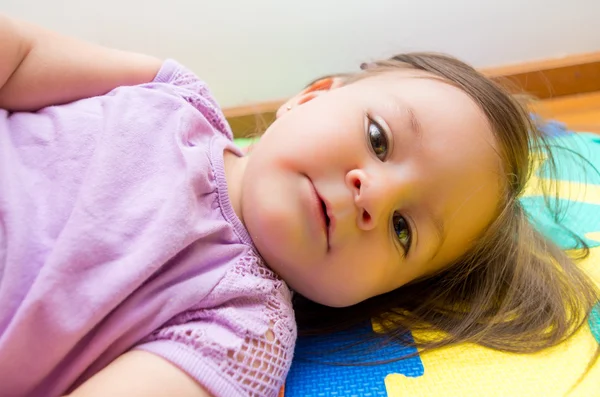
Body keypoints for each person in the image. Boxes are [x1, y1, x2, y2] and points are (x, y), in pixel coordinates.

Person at [0, 13, 597, 397]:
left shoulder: (243, 333)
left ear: (375, 293)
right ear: (308, 99)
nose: (376, 194)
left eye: (403, 231)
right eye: (380, 139)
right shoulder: (168, 91)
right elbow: (20, 59)